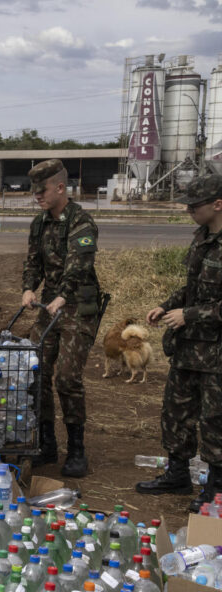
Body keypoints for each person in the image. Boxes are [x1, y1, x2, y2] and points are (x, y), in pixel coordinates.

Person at [137, 174, 222, 511]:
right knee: (176, 412)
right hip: (189, 348)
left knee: (215, 421)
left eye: (195, 204)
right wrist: (168, 305)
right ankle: (177, 474)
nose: (189, 210)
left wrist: (190, 315)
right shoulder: (202, 237)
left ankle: (215, 489)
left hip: (216, 353)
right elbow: (192, 286)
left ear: (217, 204)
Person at [21, 159, 102, 478]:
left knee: (67, 377)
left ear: (59, 187)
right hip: (49, 307)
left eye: (41, 191)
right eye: (34, 191)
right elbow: (32, 261)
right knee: (34, 372)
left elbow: (79, 266)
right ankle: (46, 443)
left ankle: (77, 450)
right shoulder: (39, 223)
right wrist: (29, 288)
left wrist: (62, 296)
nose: (37, 196)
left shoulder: (81, 221)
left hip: (77, 306)